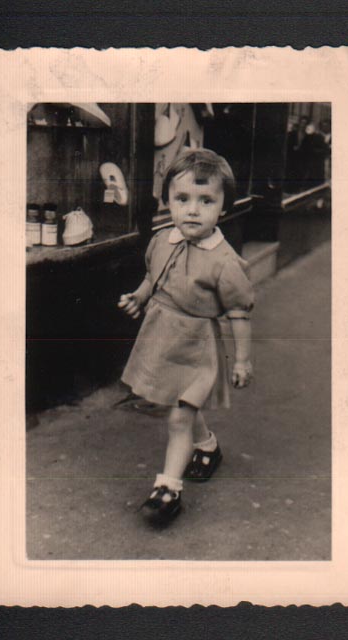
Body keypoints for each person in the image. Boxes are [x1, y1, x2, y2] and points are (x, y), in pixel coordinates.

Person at [118, 148, 254, 524]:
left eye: (206, 200)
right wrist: (139, 297)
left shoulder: (224, 262)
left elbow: (239, 312)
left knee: (179, 418)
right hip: (161, 337)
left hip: (196, 346)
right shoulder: (162, 240)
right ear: (168, 201)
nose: (193, 210)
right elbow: (153, 276)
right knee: (179, 407)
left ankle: (168, 489)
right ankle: (207, 446)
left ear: (223, 206)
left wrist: (242, 360)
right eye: (182, 199)